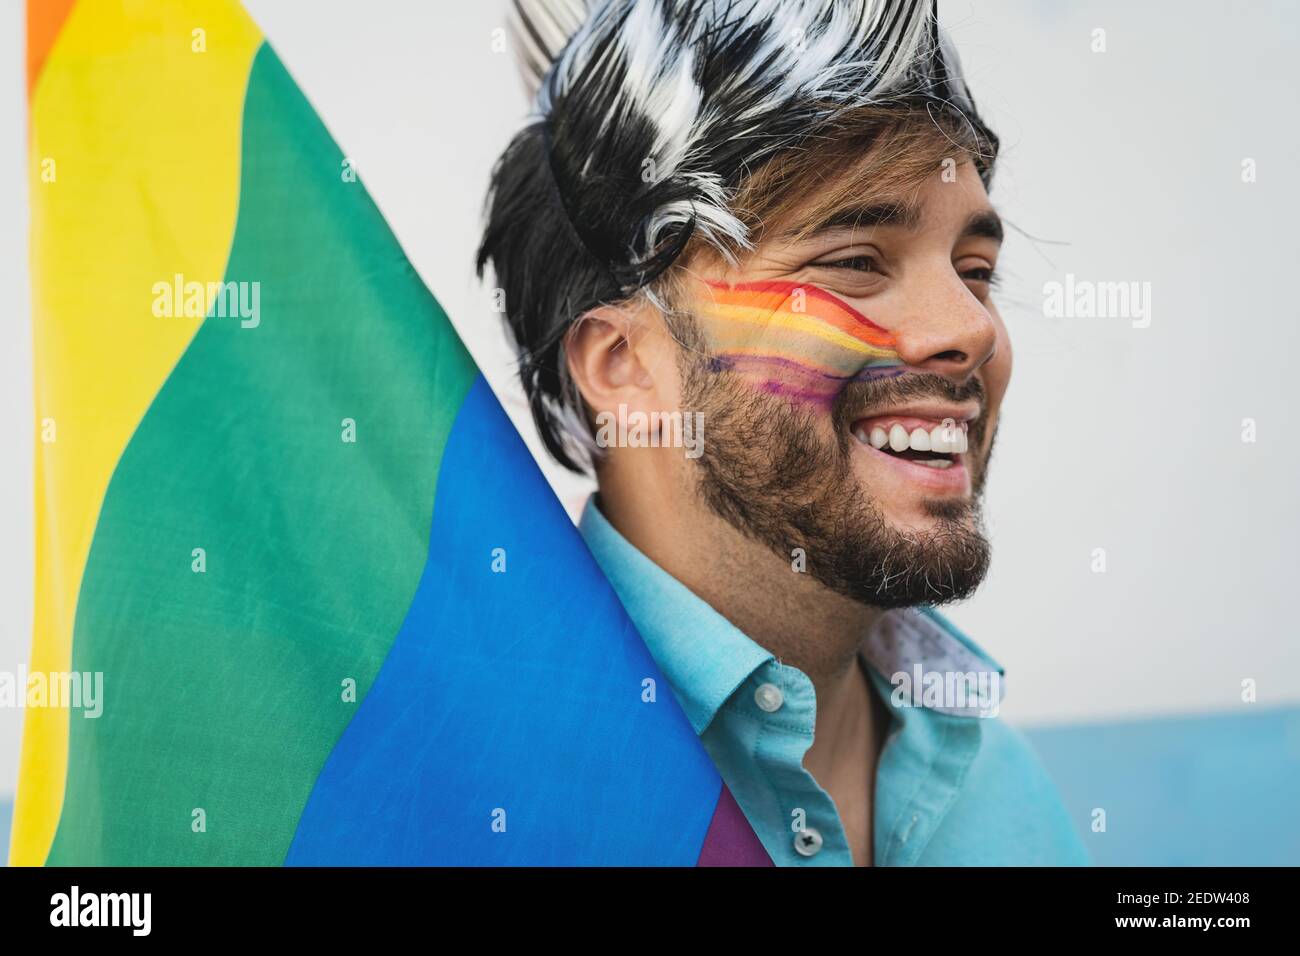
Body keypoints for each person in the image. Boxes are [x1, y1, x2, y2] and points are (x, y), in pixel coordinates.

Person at [478, 0, 1088, 866]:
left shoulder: (1005, 791)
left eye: (975, 270)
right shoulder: (467, 785)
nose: (973, 329)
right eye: (854, 261)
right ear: (622, 364)